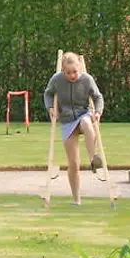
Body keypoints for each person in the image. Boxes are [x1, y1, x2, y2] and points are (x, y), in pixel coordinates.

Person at [43, 51, 105, 206]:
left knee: (87, 123)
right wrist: (51, 108)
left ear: (80, 69)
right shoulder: (56, 80)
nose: (72, 75)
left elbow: (98, 97)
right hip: (67, 120)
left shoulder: (87, 79)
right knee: (73, 163)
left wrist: (97, 112)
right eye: (68, 72)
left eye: (75, 72)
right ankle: (76, 199)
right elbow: (48, 94)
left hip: (83, 113)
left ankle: (93, 159)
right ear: (63, 70)